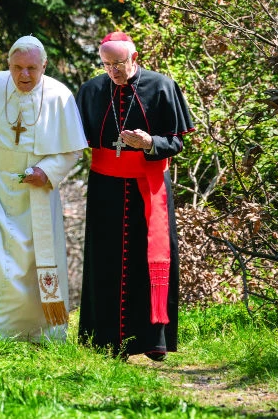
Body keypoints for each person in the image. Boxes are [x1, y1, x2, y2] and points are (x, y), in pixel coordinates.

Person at [0, 35, 88, 344]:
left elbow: (71, 150)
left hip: (37, 190)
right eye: (17, 67)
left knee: (33, 262)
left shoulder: (59, 96)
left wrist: (46, 171)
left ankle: (37, 332)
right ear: (8, 65)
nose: (24, 76)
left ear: (44, 66)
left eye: (31, 69)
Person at [75, 31, 195, 361]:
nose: (113, 71)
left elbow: (177, 143)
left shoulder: (161, 86)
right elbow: (74, 138)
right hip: (105, 187)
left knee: (152, 259)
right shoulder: (91, 90)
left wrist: (149, 143)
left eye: (119, 63)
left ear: (134, 58)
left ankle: (153, 339)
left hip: (149, 184)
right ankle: (106, 341)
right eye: (106, 64)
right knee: (105, 261)